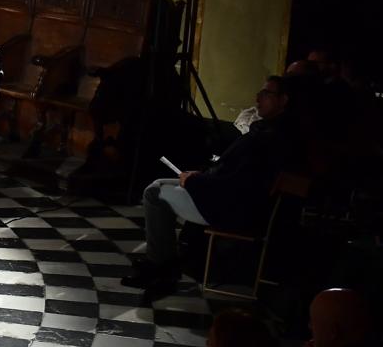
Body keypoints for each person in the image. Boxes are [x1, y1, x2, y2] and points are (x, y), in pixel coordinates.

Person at [124, 73, 294, 299]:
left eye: (266, 93)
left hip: (229, 207)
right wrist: (202, 176)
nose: (258, 98)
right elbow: (232, 172)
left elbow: (238, 182)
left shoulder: (269, 137)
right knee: (157, 186)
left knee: (155, 193)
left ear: (283, 100)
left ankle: (162, 267)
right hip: (223, 195)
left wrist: (196, 181)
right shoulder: (269, 131)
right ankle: (163, 264)